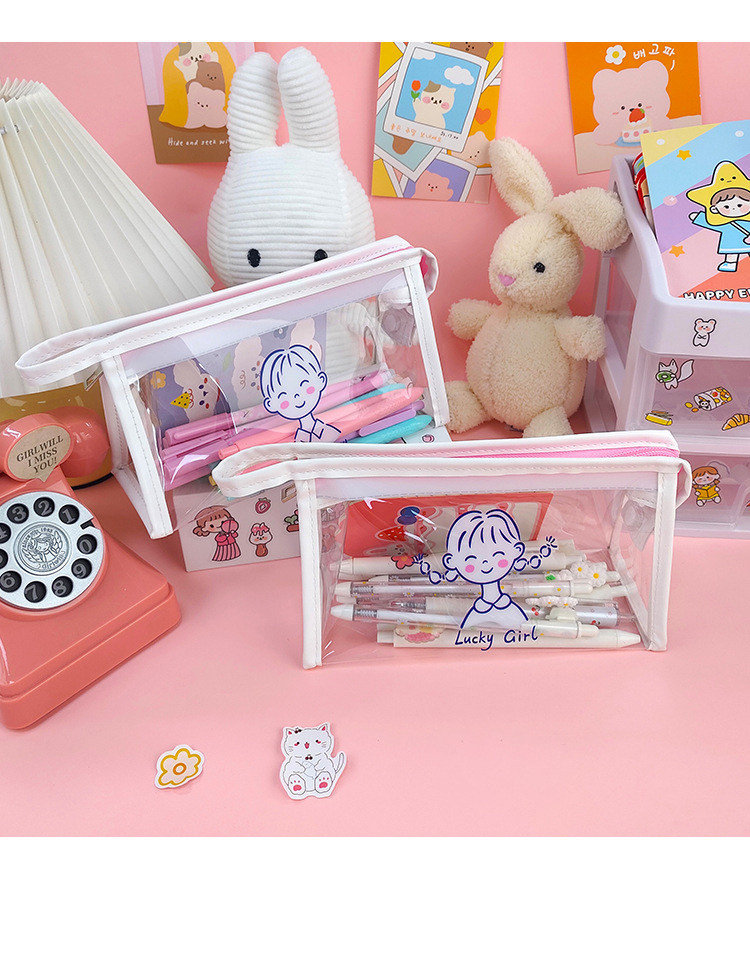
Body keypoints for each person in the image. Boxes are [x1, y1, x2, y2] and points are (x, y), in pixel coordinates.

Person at [260, 345, 340, 442]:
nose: (297, 396)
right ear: (270, 404)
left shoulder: (326, 429)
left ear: (321, 380)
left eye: (305, 386)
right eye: (284, 396)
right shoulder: (298, 438)